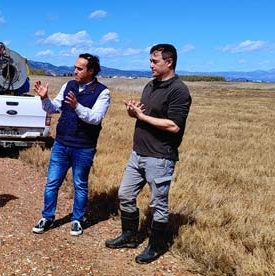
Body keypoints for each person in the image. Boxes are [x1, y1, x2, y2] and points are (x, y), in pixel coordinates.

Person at [104, 44, 192, 264]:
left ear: (169, 62)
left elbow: (174, 126)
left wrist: (142, 118)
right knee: (125, 194)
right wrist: (134, 113)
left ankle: (155, 245)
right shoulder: (150, 85)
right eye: (150, 61)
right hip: (138, 153)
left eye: (155, 61)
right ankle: (130, 235)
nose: (150, 65)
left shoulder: (179, 90)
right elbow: (145, 115)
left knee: (158, 205)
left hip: (160, 157)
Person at [31, 53, 111, 236]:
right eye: (75, 67)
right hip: (61, 144)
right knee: (52, 183)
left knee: (80, 184)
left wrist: (77, 106)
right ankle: (47, 217)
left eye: (79, 68)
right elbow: (54, 108)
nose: (75, 71)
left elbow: (96, 118)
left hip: (84, 147)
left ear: (91, 71)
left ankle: (77, 219)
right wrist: (44, 99)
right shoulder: (69, 85)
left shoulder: (102, 92)